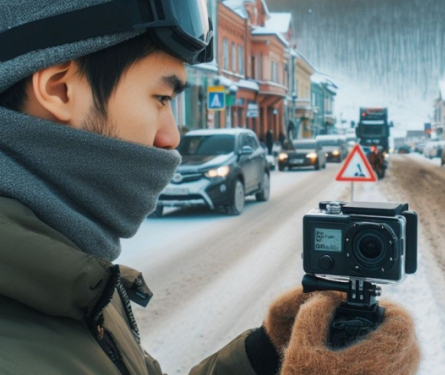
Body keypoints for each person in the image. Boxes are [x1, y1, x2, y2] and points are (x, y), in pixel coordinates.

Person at [0, 2, 420, 375]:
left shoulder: (66, 275)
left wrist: (267, 354)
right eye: (161, 98)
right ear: (59, 89)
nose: (171, 136)